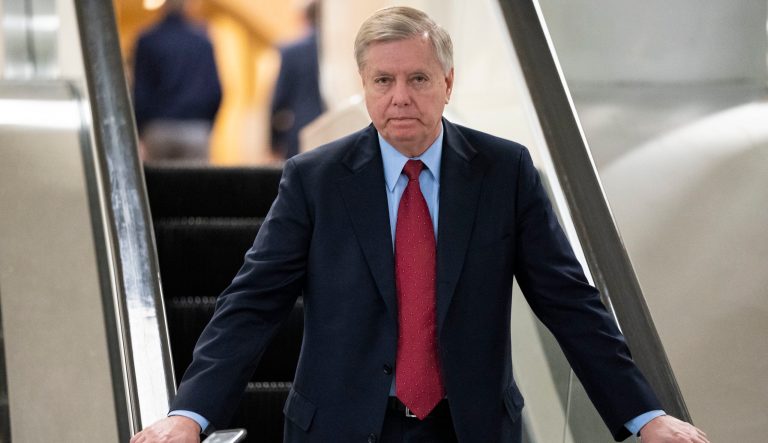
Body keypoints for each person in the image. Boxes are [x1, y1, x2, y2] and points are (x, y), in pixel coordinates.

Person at [132, 7, 709, 443]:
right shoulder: (316, 180)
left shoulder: (504, 172)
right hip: (339, 427)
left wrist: (645, 416)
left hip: (471, 426)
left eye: (419, 79)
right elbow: (252, 302)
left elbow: (568, 301)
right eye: (383, 81)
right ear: (364, 88)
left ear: (448, 84)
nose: (400, 97)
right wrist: (192, 413)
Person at [132, 0, 222, 162]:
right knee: (196, 185)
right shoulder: (202, 42)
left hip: (158, 129)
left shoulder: (147, 40)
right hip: (194, 128)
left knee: (158, 186)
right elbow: (215, 91)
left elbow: (139, 93)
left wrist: (141, 129)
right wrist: (205, 125)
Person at [270, 1, 325, 160]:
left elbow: (279, 100)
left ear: (304, 17)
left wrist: (274, 141)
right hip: (334, 124)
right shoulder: (339, 49)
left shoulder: (291, 51)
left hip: (300, 128)